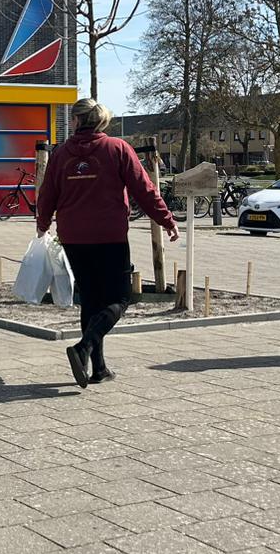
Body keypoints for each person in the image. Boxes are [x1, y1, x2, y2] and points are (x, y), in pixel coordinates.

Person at [35, 98, 179, 389]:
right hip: (109, 235)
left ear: (76, 121)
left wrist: (43, 225)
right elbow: (144, 189)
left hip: (73, 237)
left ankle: (98, 369)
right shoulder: (117, 148)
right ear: (101, 121)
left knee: (90, 299)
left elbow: (47, 193)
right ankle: (83, 347)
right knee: (120, 297)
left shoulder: (61, 153)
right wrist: (167, 220)